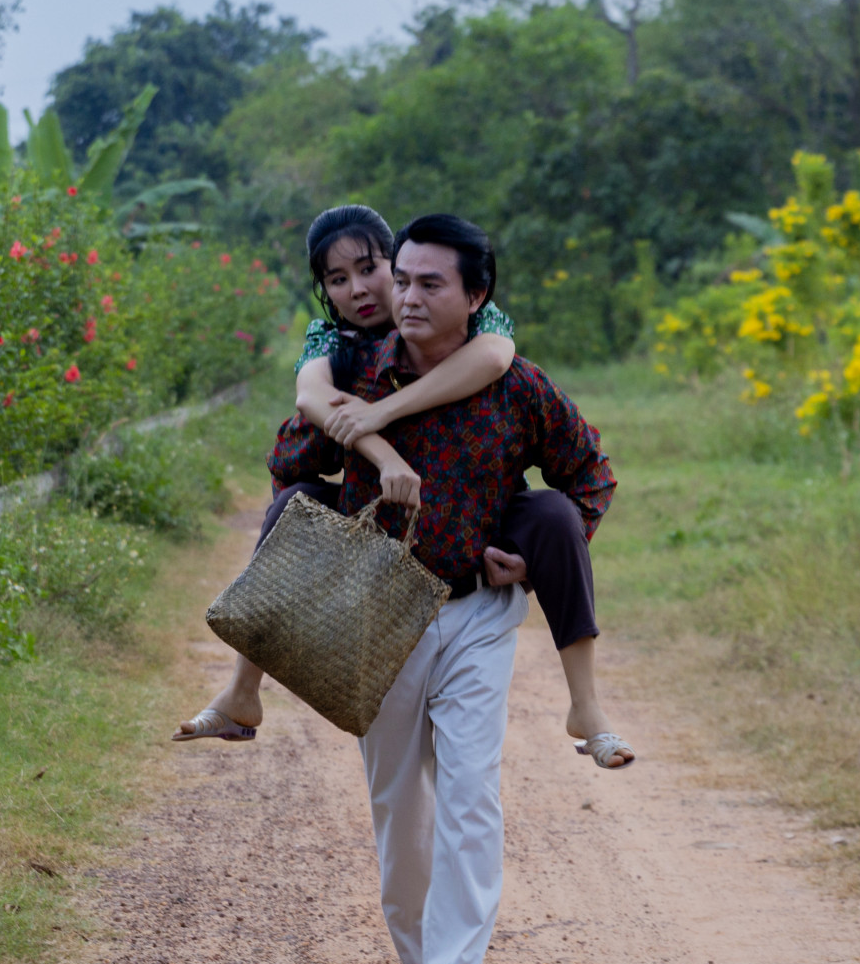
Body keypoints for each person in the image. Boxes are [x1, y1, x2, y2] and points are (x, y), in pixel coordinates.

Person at [268, 213, 615, 964]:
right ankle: (418, 958)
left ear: (477, 297)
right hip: (378, 608)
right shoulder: (354, 368)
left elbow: (588, 475)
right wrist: (339, 425)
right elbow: (290, 469)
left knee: (469, 790)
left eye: (429, 283)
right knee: (398, 798)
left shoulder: (517, 384)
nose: (406, 295)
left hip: (476, 612)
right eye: (406, 279)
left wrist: (533, 563)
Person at [174, 205, 630, 767]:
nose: (362, 290)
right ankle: (243, 689)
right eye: (337, 280)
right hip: (381, 569)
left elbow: (494, 358)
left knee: (556, 517)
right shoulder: (340, 349)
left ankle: (586, 705)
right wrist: (374, 442)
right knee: (294, 504)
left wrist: (379, 411)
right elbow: (307, 408)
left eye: (372, 270)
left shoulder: (481, 335)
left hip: (479, 543)